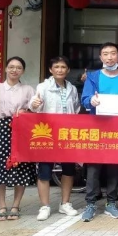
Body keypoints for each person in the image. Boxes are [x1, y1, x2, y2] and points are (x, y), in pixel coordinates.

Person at [80, 42, 118, 222]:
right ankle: (90, 203)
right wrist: (91, 101)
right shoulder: (93, 77)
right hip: (97, 127)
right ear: (100, 57)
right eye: (106, 54)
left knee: (114, 165)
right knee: (93, 166)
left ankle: (111, 202)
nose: (109, 57)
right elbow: (85, 99)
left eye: (113, 53)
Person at [0, 56, 36, 221]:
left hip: (21, 129)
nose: (14, 70)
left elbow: (34, 107)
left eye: (18, 68)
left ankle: (16, 206)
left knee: (21, 167)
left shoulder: (28, 89)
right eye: (11, 67)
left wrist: (28, 111)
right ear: (5, 69)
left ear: (23, 71)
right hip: (1, 128)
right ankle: (2, 206)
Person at [29, 56, 81, 221]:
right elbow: (34, 105)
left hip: (67, 134)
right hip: (48, 134)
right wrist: (34, 104)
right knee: (45, 170)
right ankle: (44, 206)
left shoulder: (72, 88)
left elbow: (76, 108)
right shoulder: (43, 87)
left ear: (68, 70)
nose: (60, 70)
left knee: (68, 170)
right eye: (56, 67)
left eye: (63, 67)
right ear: (51, 70)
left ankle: (65, 203)